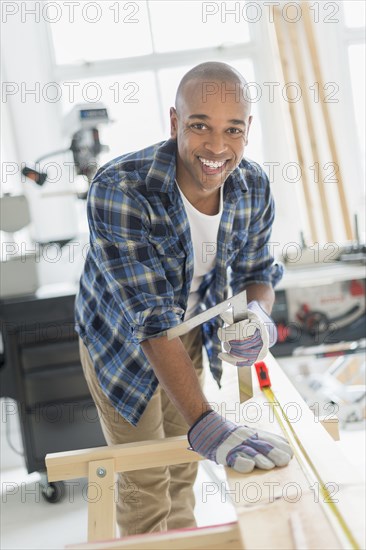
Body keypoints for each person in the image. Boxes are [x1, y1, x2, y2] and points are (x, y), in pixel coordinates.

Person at [75, 61, 293, 536]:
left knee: (182, 471)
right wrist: (206, 422)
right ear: (174, 122)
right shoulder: (120, 189)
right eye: (200, 126)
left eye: (232, 130)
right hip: (121, 345)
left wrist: (258, 314)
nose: (217, 147)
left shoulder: (252, 185)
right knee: (147, 480)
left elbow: (258, 272)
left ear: (247, 130)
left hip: (188, 334)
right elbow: (150, 323)